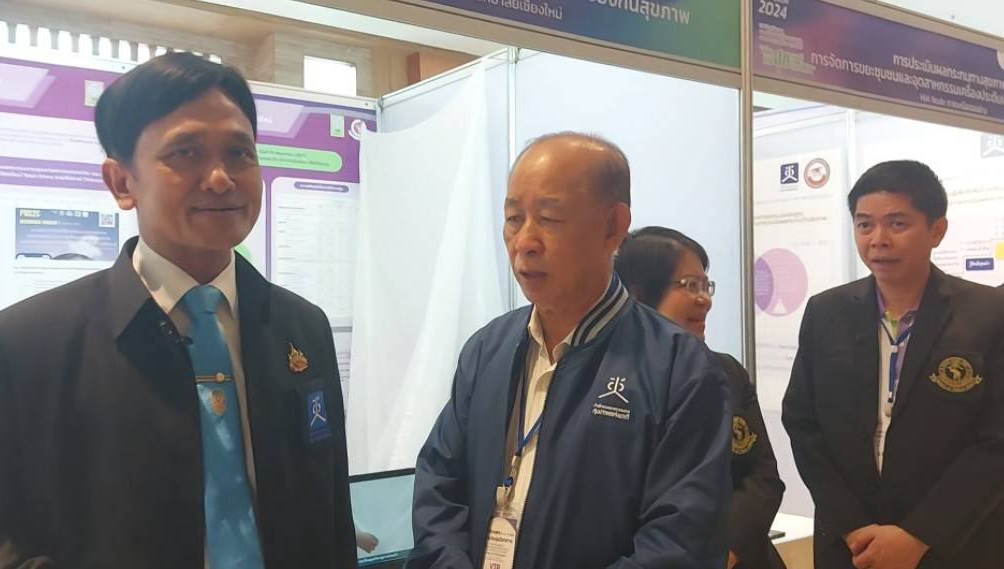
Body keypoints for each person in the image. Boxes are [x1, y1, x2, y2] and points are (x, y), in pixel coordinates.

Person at [0, 53, 357, 568]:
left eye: (239, 152)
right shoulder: (22, 344)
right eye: (186, 153)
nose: (220, 177)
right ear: (121, 183)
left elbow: (332, 511)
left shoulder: (302, 326)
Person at [408, 132, 732, 569]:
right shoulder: (488, 348)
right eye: (513, 218)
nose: (525, 241)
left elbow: (680, 541)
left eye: (549, 218)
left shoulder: (679, 367)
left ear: (613, 227)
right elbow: (439, 482)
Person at [782, 160, 1004, 569]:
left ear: (937, 230)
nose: (878, 240)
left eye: (897, 224)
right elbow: (802, 421)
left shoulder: (989, 313)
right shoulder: (826, 311)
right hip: (850, 546)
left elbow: (995, 440)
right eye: (864, 225)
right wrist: (852, 527)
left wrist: (919, 535)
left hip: (953, 544)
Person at [616, 226, 786, 569]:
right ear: (637, 295)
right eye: (690, 285)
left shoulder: (725, 372)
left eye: (705, 286)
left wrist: (727, 551)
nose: (704, 299)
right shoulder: (610, 386)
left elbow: (761, 477)